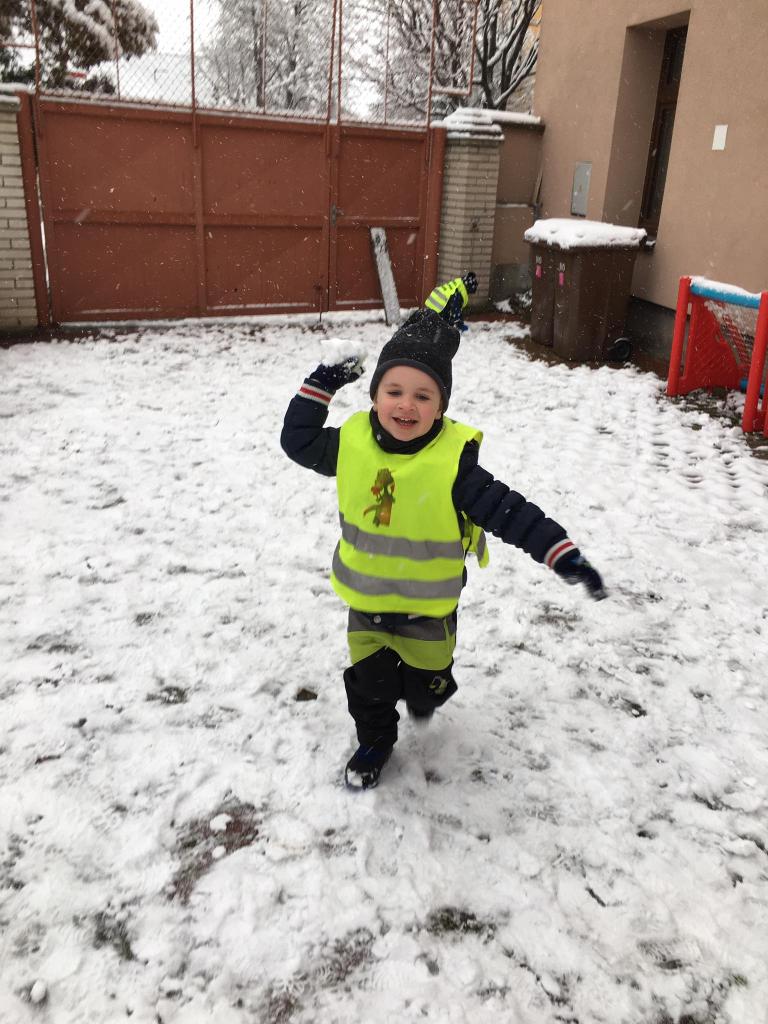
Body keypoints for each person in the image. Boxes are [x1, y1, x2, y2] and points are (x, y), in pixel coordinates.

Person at [280, 308, 605, 790]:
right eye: (393, 391)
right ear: (374, 396)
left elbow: (510, 511)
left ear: (440, 407)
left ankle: (424, 695)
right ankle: (375, 742)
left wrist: (559, 551)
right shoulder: (350, 444)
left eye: (422, 395)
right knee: (368, 689)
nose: (406, 406)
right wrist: (323, 382)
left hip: (429, 611)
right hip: (366, 603)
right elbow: (298, 440)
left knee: (427, 688)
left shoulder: (454, 464)